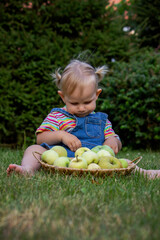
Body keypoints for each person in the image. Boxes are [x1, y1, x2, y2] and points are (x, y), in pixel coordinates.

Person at [7, 60, 160, 179]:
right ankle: (27, 170)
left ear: (97, 95)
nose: (81, 108)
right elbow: (40, 138)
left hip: (94, 162)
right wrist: (61, 135)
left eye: (87, 102)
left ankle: (146, 173)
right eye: (74, 103)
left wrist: (112, 141)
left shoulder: (101, 120)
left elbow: (114, 138)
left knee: (126, 162)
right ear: (63, 97)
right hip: (61, 158)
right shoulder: (58, 116)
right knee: (33, 149)